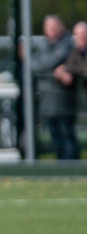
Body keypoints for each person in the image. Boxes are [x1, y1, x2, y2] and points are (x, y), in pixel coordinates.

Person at [30, 15, 77, 159]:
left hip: (63, 99)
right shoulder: (43, 44)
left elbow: (54, 60)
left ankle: (71, 167)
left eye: (54, 26)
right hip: (47, 99)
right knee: (55, 136)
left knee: (66, 134)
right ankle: (61, 166)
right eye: (49, 27)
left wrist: (46, 67)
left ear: (60, 27)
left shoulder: (67, 42)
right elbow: (33, 65)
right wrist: (54, 71)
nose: (52, 29)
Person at [52, 20, 87, 158]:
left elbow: (81, 69)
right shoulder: (73, 51)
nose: (81, 37)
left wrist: (64, 69)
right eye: (78, 34)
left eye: (83, 34)